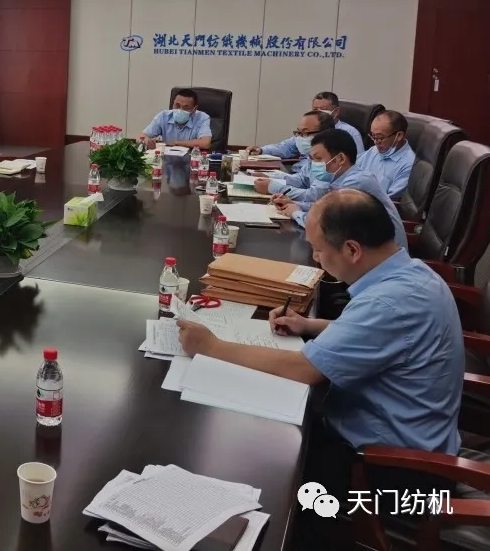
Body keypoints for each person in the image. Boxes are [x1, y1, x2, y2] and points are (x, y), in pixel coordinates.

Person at [177, 190, 463, 529]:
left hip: (393, 472)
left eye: (318, 249)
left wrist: (211, 346)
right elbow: (382, 336)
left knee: (249, 462)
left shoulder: (387, 304)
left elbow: (304, 369)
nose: (315, 257)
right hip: (417, 446)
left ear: (352, 250)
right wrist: (310, 325)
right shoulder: (413, 274)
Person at [272, 129, 407, 249]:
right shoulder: (337, 177)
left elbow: (326, 224)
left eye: (318, 159)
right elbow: (325, 208)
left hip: (382, 255)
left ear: (341, 159)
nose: (313, 165)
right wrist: (293, 204)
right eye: (312, 159)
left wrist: (295, 213)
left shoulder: (356, 182)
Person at [249, 91, 364, 158]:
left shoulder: (349, 133)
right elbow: (286, 147)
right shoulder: (309, 127)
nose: (318, 112)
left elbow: (357, 162)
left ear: (336, 112)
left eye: (323, 109)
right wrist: (262, 150)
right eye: (315, 109)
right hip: (299, 173)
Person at [251, 110, 334, 200]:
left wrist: (274, 188)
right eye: (299, 133)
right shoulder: (311, 156)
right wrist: (271, 177)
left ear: (325, 133)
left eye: (305, 133)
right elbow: (302, 180)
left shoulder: (331, 159)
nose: (300, 138)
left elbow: (315, 196)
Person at [356, 110, 415, 200]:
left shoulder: (408, 165)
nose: (376, 142)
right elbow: (351, 168)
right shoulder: (374, 150)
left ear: (399, 136)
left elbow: (389, 201)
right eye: (373, 136)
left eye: (380, 137)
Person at [140, 89, 211, 150]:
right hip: (167, 158)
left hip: (191, 158)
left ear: (194, 109)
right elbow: (142, 136)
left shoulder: (202, 118)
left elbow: (205, 143)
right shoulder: (164, 116)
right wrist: (148, 142)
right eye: (177, 105)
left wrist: (175, 143)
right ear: (173, 104)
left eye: (186, 107)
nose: (180, 110)